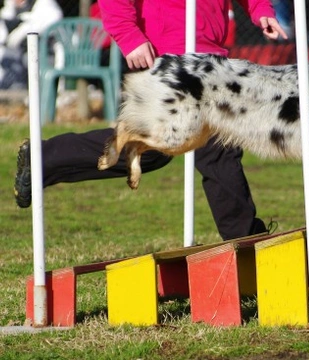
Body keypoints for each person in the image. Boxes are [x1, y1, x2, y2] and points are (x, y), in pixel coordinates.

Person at [14, 0, 287, 240]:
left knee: (159, 151)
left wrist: (260, 9)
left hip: (209, 58)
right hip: (166, 56)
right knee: (214, 148)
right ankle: (246, 240)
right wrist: (129, 36)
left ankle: (45, 157)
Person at [0, 0, 63, 89]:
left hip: (46, 54)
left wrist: (21, 30)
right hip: (19, 53)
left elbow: (54, 19)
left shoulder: (46, 5)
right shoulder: (9, 8)